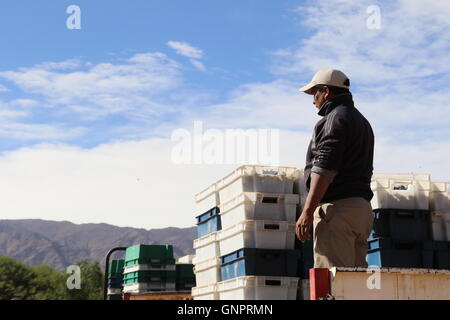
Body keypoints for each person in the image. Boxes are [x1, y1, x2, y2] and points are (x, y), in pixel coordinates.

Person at [296, 68, 375, 269]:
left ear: (326, 91)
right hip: (361, 212)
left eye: (315, 93)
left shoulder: (332, 119)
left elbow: (324, 167)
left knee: (333, 284)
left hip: (337, 211)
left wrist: (307, 211)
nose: (313, 100)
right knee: (355, 286)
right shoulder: (362, 122)